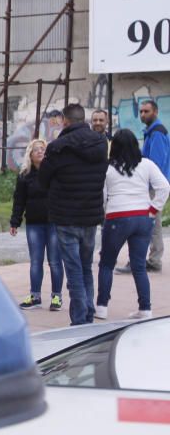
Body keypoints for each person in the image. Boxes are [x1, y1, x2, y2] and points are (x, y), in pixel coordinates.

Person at [37, 103, 108, 325]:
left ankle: (80, 320)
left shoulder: (57, 147)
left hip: (65, 216)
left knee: (74, 270)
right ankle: (87, 312)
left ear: (65, 121)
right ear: (84, 119)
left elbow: (43, 180)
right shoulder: (100, 143)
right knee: (86, 267)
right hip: (90, 215)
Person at [95, 129, 169, 320]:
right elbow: (164, 187)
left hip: (117, 217)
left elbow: (102, 197)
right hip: (143, 218)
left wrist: (105, 214)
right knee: (139, 266)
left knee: (107, 263)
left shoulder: (108, 168)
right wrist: (153, 210)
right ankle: (145, 309)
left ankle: (102, 306)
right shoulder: (147, 164)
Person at [9, 139, 64, 311]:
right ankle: (35, 296)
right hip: (34, 224)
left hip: (54, 223)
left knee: (55, 261)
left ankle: (56, 297)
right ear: (30, 155)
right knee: (35, 261)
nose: (40, 152)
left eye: (43, 149)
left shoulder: (55, 173)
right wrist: (15, 222)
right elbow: (19, 201)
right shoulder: (24, 175)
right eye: (36, 150)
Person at [117, 100, 169, 274]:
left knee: (147, 223)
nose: (142, 115)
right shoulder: (151, 132)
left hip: (152, 185)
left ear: (155, 111)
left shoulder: (157, 133)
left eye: (146, 111)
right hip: (152, 184)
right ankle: (153, 260)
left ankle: (147, 260)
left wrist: (144, 183)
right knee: (152, 223)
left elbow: (156, 163)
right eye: (141, 112)